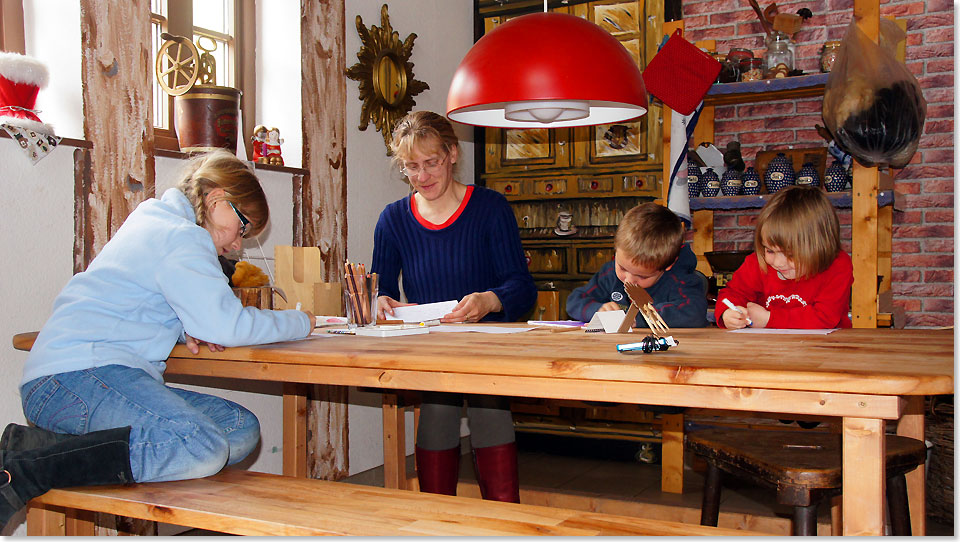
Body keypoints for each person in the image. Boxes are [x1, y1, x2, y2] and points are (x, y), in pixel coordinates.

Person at [1, 150, 316, 530]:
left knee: (240, 430)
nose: (238, 244)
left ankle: (68, 451)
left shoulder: (159, 220)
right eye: (243, 227)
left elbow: (146, 296)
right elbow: (229, 326)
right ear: (217, 200)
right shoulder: (182, 236)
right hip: (76, 378)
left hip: (79, 377)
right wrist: (303, 321)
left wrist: (188, 322)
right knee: (203, 446)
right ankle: (28, 463)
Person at [372, 111, 536, 503]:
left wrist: (489, 299)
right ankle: (436, 522)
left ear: (452, 155)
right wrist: (379, 300)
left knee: (489, 410)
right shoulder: (393, 220)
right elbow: (378, 285)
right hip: (432, 347)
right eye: (412, 167)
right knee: (437, 414)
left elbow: (521, 287)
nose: (423, 176)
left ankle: (502, 522)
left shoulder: (490, 209)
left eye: (431, 163)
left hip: (486, 344)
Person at [717, 185, 853, 329]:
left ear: (819, 248)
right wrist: (728, 313)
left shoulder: (837, 265)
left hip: (827, 347)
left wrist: (769, 319)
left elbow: (824, 317)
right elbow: (733, 293)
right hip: (770, 348)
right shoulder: (758, 262)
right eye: (770, 251)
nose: (778, 263)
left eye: (790, 255)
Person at [566, 202, 708, 329]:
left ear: (668, 265)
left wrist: (637, 318)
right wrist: (597, 310)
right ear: (616, 250)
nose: (628, 280)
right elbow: (575, 301)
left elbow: (695, 312)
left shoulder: (679, 280)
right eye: (622, 268)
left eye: (642, 276)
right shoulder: (609, 274)